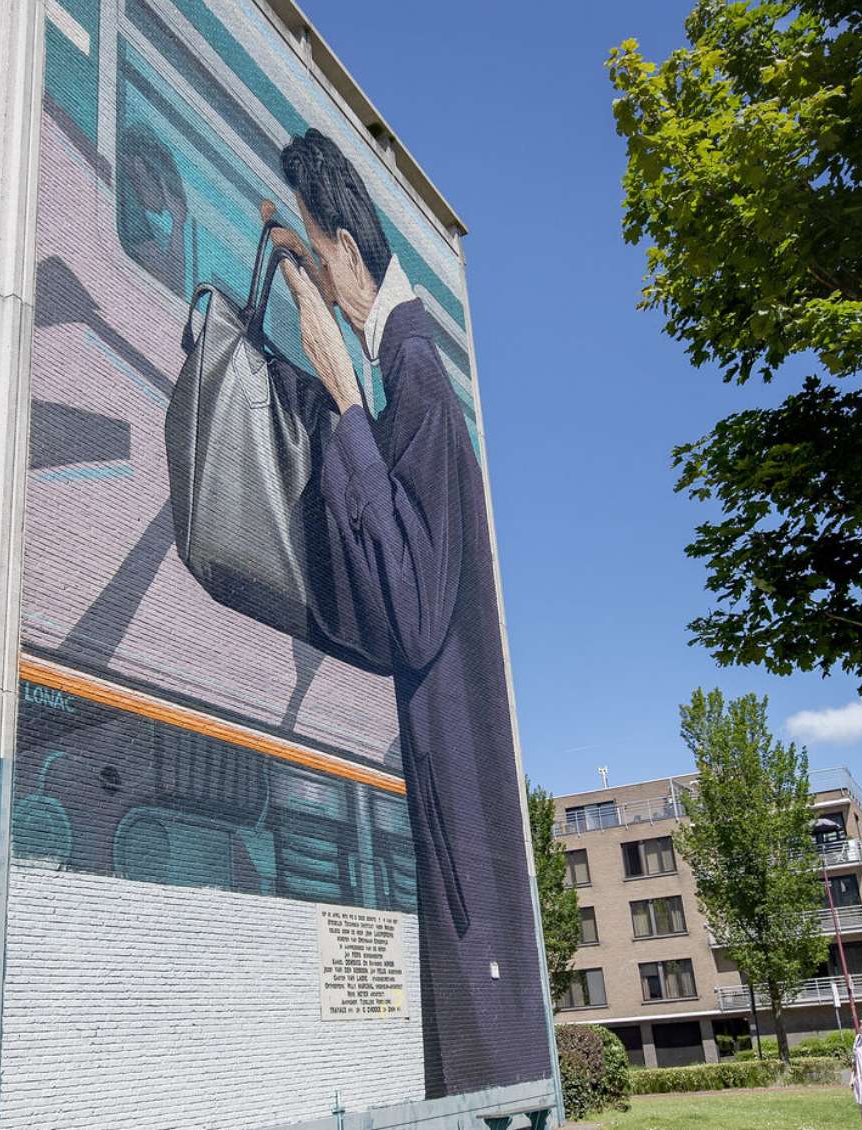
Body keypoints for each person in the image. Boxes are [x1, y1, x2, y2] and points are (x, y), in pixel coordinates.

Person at [251, 125, 546, 1097]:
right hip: (460, 790)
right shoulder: (417, 365)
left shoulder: (412, 379)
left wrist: (339, 396)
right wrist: (298, 279)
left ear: (343, 247)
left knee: (475, 1059)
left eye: (313, 246)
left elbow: (414, 611)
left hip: (458, 801)